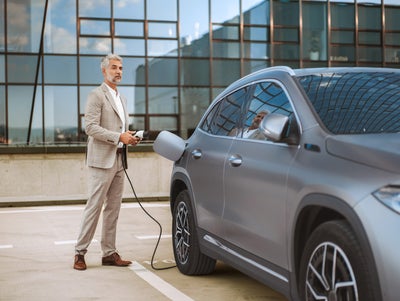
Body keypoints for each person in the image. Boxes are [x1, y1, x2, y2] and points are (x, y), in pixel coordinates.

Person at [73, 54, 141, 271]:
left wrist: (127, 136)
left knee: (113, 208)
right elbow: (90, 128)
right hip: (102, 161)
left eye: (121, 67)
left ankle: (109, 253)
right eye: (114, 67)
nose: (118, 71)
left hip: (120, 160)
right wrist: (118, 137)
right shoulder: (96, 95)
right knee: (94, 207)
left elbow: (118, 130)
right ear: (104, 71)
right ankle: (79, 253)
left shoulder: (122, 99)